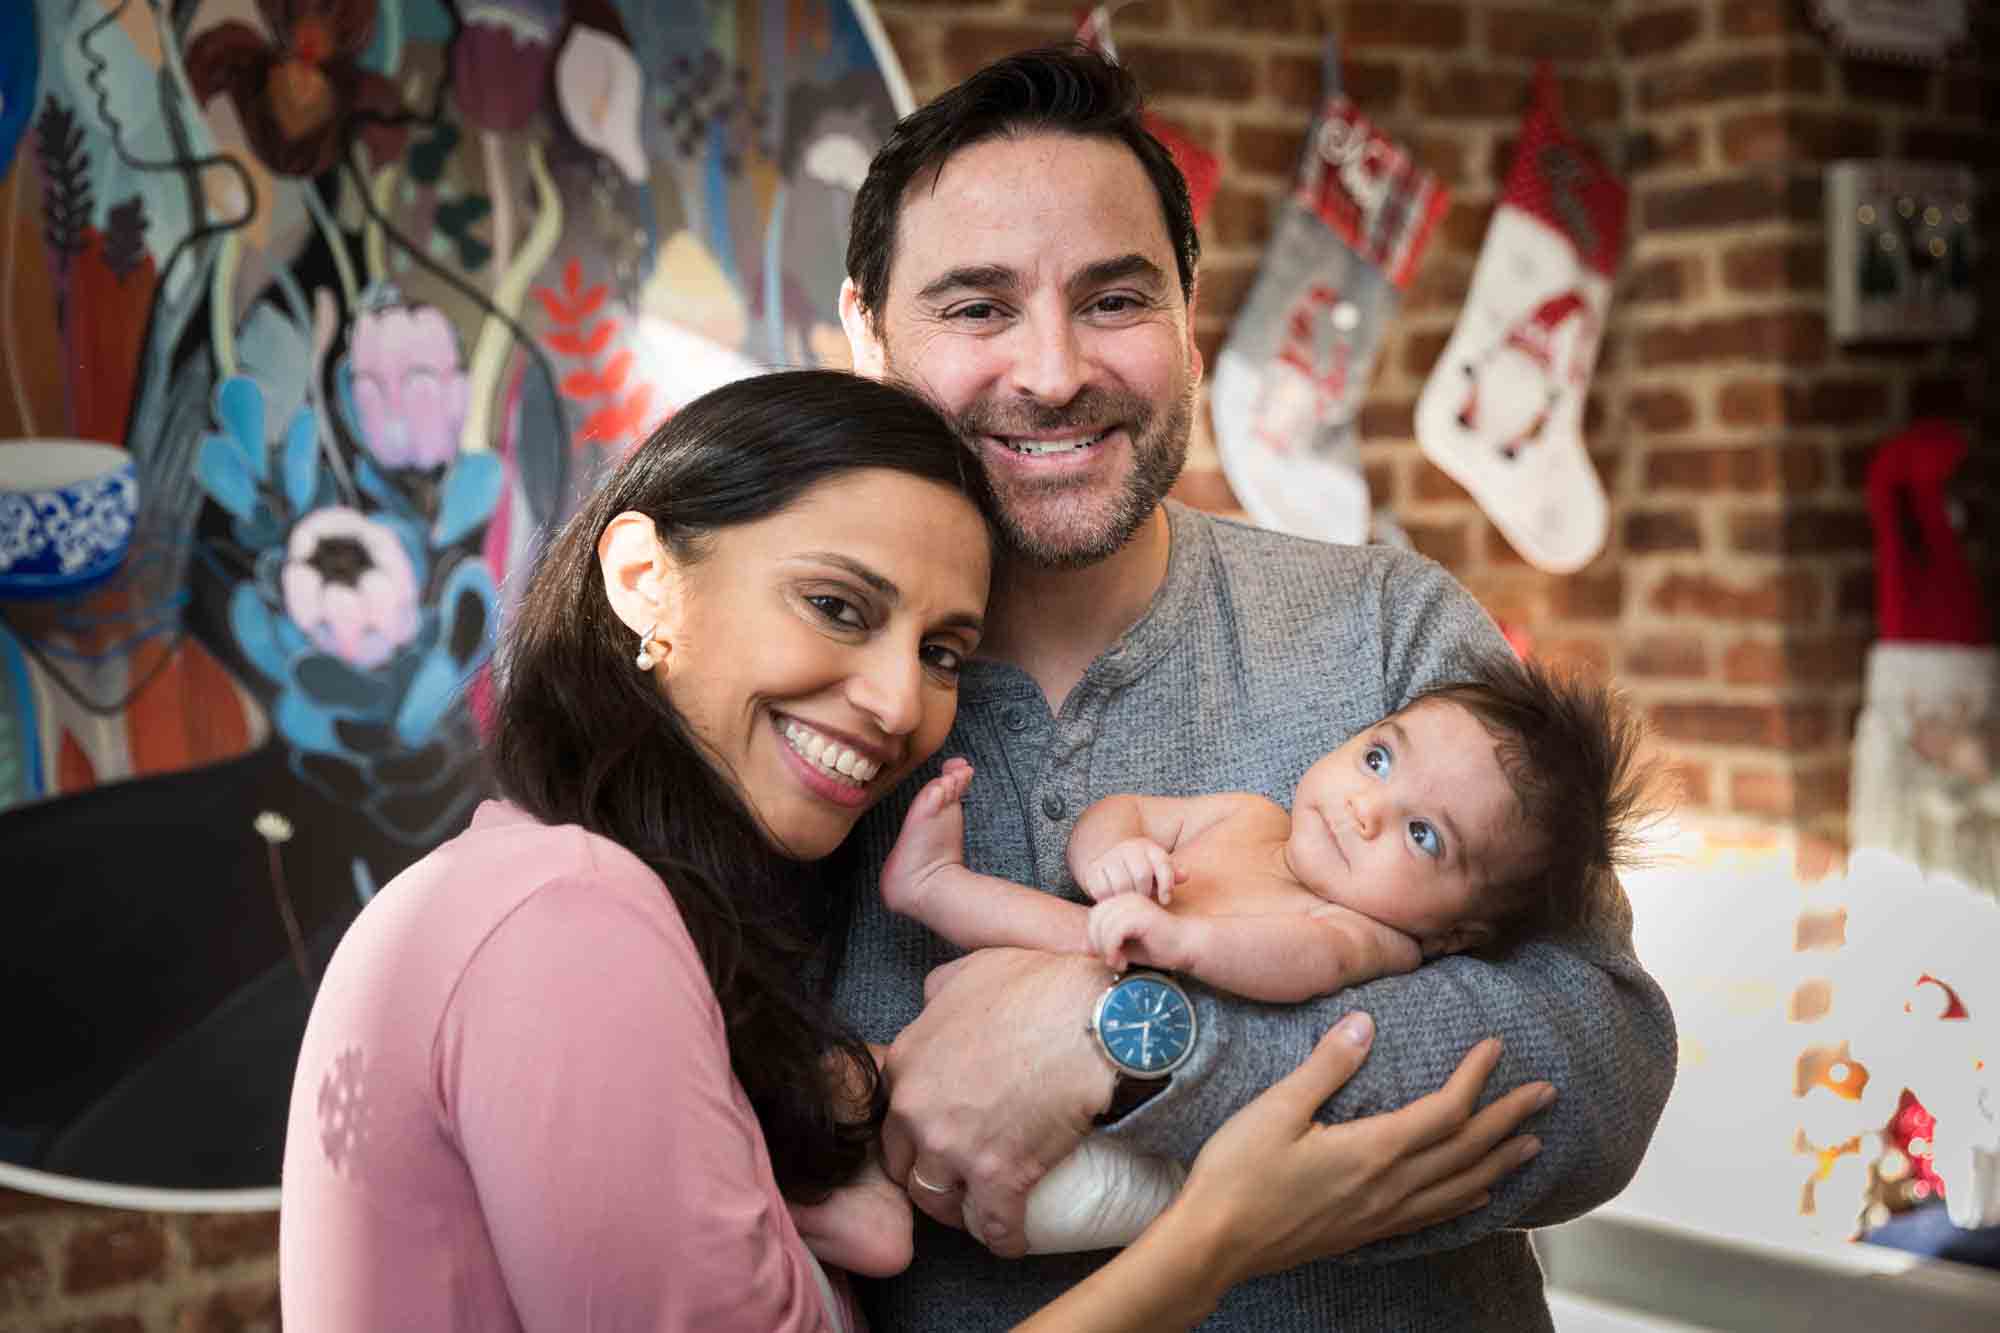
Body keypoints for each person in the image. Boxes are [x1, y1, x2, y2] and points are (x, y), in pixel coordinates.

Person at [276, 368, 1551, 1332]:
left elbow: (1577, 1054)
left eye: (941, 651)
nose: (898, 702)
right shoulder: (569, 921)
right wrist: (1219, 1232)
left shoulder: (603, 902)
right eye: (836, 607)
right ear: (641, 578)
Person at [826, 43, 1680, 1330]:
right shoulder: (803, 694)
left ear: (1187, 309)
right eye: (976, 308)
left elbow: (1592, 1065)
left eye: (1115, 300)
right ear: (865, 332)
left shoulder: (1387, 629)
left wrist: (1118, 1037)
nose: (1053, 371)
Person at [871, 652, 1657, 1252]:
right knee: (1053, 942)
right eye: (1378, 759)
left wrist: (1190, 941)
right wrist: (1109, 855)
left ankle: (927, 1203)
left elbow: (1296, 960)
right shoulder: (1250, 817)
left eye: (1423, 835)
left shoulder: (1366, 935)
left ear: (1454, 934)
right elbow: (1125, 809)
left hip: (1128, 1135)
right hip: (1084, 971)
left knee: (1098, 1194)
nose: (1364, 808)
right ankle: (933, 884)